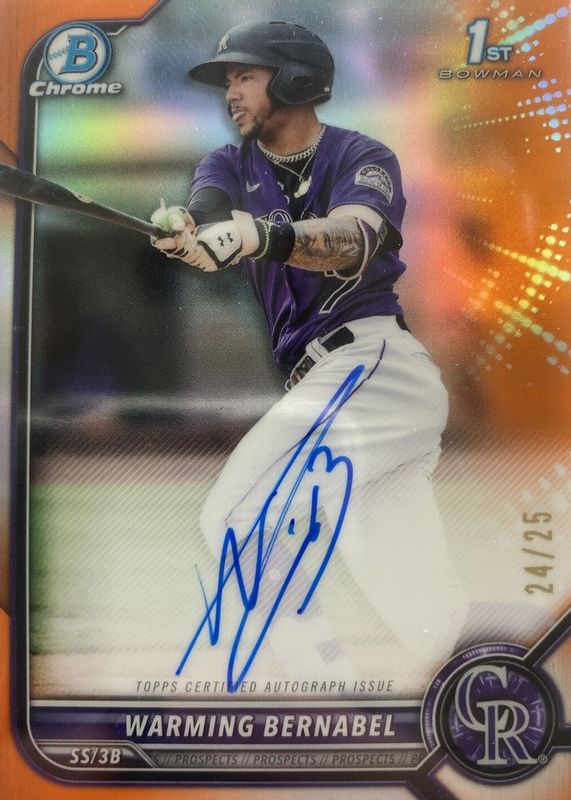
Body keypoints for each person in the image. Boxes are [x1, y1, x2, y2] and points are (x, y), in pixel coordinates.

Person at [151, 21, 467, 680]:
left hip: (371, 368)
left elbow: (351, 241)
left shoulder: (360, 156)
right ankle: (500, 696)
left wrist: (258, 237)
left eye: (244, 75)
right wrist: (189, 230)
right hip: (335, 386)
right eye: (228, 80)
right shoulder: (228, 162)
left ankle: (328, 689)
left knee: (239, 522)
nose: (230, 93)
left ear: (296, 79)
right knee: (434, 624)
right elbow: (209, 208)